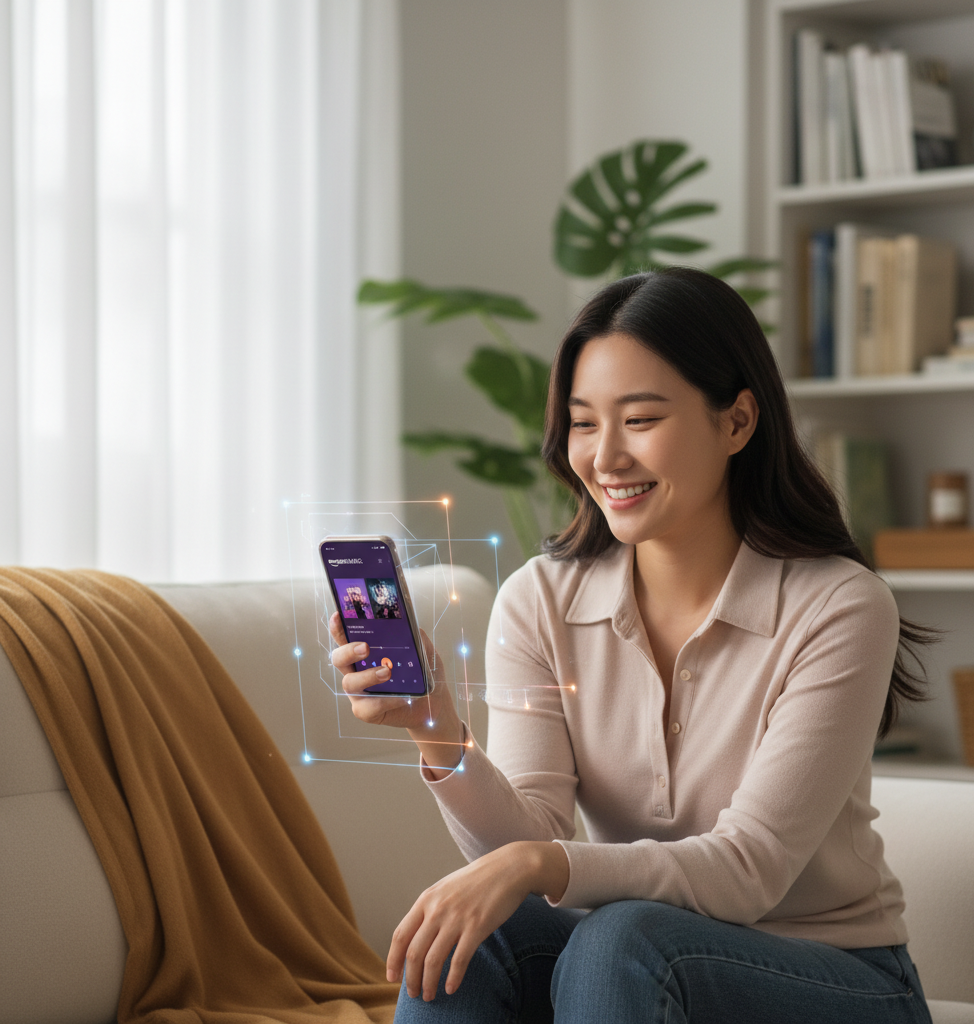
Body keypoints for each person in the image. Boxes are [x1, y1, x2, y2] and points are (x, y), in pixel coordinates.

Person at [328, 267, 936, 1023]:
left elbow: (748, 871)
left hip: (836, 978)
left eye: (641, 420)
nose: (605, 458)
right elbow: (532, 835)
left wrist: (539, 863)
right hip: (637, 962)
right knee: (485, 936)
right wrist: (439, 733)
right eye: (584, 423)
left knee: (621, 938)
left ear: (737, 422)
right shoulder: (540, 600)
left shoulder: (840, 606)